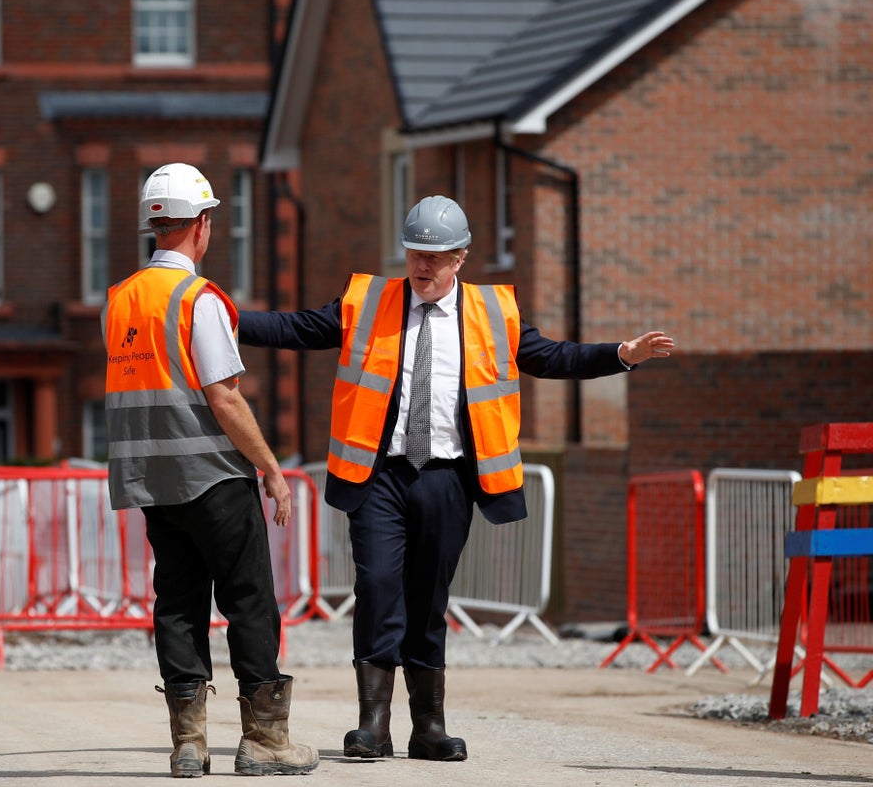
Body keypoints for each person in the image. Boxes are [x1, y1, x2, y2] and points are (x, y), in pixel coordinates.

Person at [237, 195, 675, 764]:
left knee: (428, 599)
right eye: (416, 253)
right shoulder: (368, 302)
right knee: (376, 587)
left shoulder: (495, 312)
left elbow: (551, 357)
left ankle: (428, 728)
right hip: (380, 476)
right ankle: (373, 725)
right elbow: (294, 327)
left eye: (436, 257)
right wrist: (220, 314)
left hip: (448, 479)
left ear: (461, 258)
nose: (423, 266)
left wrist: (621, 354)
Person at [102, 163, 319, 778]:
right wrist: (272, 469)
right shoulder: (201, 300)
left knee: (177, 602)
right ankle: (265, 742)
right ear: (202, 225)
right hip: (215, 477)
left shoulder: (118, 302)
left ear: (154, 224)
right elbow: (224, 398)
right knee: (249, 600)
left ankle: (188, 744)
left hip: (152, 481)